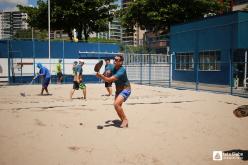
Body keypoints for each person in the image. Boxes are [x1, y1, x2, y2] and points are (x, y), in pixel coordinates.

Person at [96, 55, 131, 128]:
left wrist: (101, 76)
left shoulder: (122, 70)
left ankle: (125, 120)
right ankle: (123, 121)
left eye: (116, 60)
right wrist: (101, 75)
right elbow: (107, 75)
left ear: (121, 62)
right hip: (118, 91)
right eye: (114, 59)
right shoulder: (113, 68)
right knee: (117, 107)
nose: (114, 61)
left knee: (116, 104)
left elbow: (109, 80)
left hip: (126, 90)